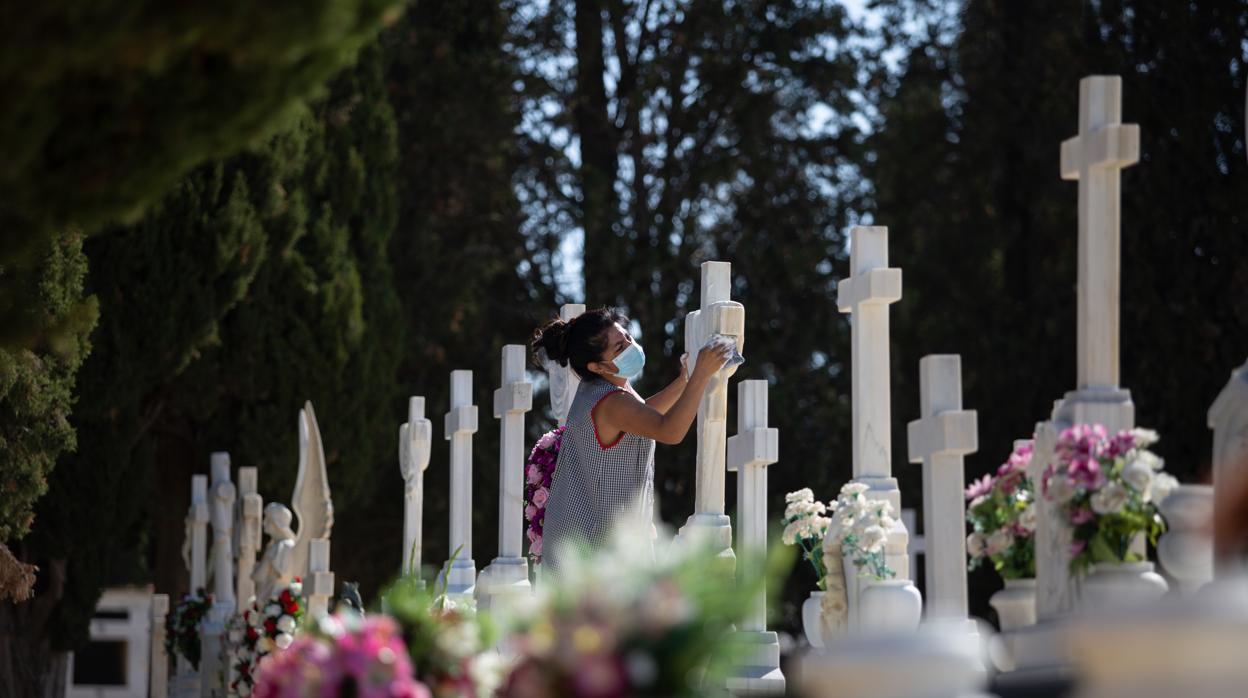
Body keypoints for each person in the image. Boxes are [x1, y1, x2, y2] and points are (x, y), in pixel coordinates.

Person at [532, 307, 733, 574]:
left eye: (627, 337)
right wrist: (701, 376)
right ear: (597, 366)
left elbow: (642, 414)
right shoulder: (610, 402)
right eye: (619, 347)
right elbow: (669, 430)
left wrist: (683, 381)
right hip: (596, 554)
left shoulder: (610, 389)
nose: (631, 346)